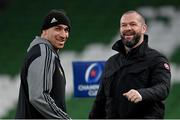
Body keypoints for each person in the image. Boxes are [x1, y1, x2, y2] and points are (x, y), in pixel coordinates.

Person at [89, 10, 171, 119]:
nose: (128, 28)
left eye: (133, 24)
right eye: (124, 25)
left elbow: (163, 88)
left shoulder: (157, 59)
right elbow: (100, 101)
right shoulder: (111, 62)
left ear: (143, 28)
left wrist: (142, 94)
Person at [15, 9, 71, 119]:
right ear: (44, 31)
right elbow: (39, 96)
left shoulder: (41, 52)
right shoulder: (44, 51)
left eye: (66, 30)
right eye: (57, 29)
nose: (63, 35)